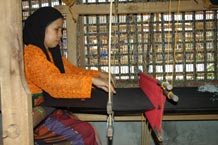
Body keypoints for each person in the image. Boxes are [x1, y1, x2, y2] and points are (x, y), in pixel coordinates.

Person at [23, 6, 116, 145]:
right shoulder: (32, 54)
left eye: (61, 30)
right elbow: (54, 82)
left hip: (51, 111)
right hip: (37, 119)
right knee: (84, 133)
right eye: (56, 29)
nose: (60, 35)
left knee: (90, 130)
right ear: (41, 28)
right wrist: (92, 80)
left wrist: (99, 75)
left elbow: (71, 71)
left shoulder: (49, 54)